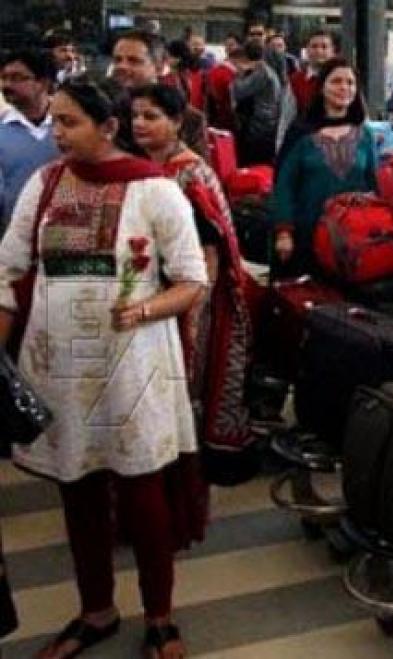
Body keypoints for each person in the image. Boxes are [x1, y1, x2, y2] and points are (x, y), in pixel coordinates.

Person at [0, 78, 208, 659]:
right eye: (56, 122)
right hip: (61, 369)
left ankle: (161, 616)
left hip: (133, 366)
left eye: (69, 123)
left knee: (144, 496)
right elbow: (7, 270)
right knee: (78, 491)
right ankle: (96, 611)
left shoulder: (157, 191)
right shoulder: (46, 183)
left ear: (108, 127)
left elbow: (194, 280)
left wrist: (142, 308)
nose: (56, 134)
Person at [128, 83, 253, 478]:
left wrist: (192, 315)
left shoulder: (191, 175)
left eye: (151, 116)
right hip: (150, 293)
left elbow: (209, 256)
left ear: (177, 122)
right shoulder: (142, 166)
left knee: (182, 383)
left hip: (188, 300)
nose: (140, 124)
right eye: (135, 116)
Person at [272, 58, 378, 277]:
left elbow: (374, 184)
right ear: (321, 88)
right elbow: (284, 186)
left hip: (351, 240)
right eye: (336, 81)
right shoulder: (300, 133)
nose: (344, 88)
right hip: (306, 237)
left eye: (350, 83)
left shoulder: (365, 135)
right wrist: (284, 233)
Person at [110, 30, 208, 159]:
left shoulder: (189, 118)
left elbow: (195, 173)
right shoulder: (102, 111)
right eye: (117, 60)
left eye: (134, 61)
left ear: (159, 66)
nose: (122, 66)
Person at [0, 49, 59, 234]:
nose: (7, 85)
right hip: (11, 237)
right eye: (4, 77)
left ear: (43, 83)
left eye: (17, 78)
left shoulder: (67, 127)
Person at [230, 40, 283, 166]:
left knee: (254, 163)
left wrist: (239, 74)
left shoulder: (262, 72)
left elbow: (239, 91)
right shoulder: (268, 70)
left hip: (261, 125)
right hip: (268, 122)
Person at [289, 30, 338, 115]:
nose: (319, 51)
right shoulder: (295, 80)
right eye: (314, 46)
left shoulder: (344, 79)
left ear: (332, 51)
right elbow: (287, 117)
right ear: (307, 50)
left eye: (324, 47)